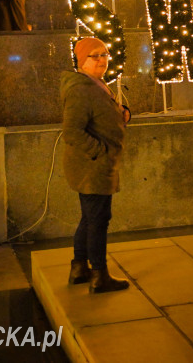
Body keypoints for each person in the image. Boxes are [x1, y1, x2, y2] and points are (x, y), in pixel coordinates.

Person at [62, 37, 132, 294]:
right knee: (99, 219)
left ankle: (79, 268)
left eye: (104, 54)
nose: (101, 60)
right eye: (94, 55)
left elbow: (99, 116)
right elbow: (72, 131)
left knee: (89, 218)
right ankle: (99, 275)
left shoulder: (95, 84)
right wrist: (100, 151)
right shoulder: (81, 89)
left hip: (93, 166)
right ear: (82, 60)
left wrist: (121, 114)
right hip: (92, 166)